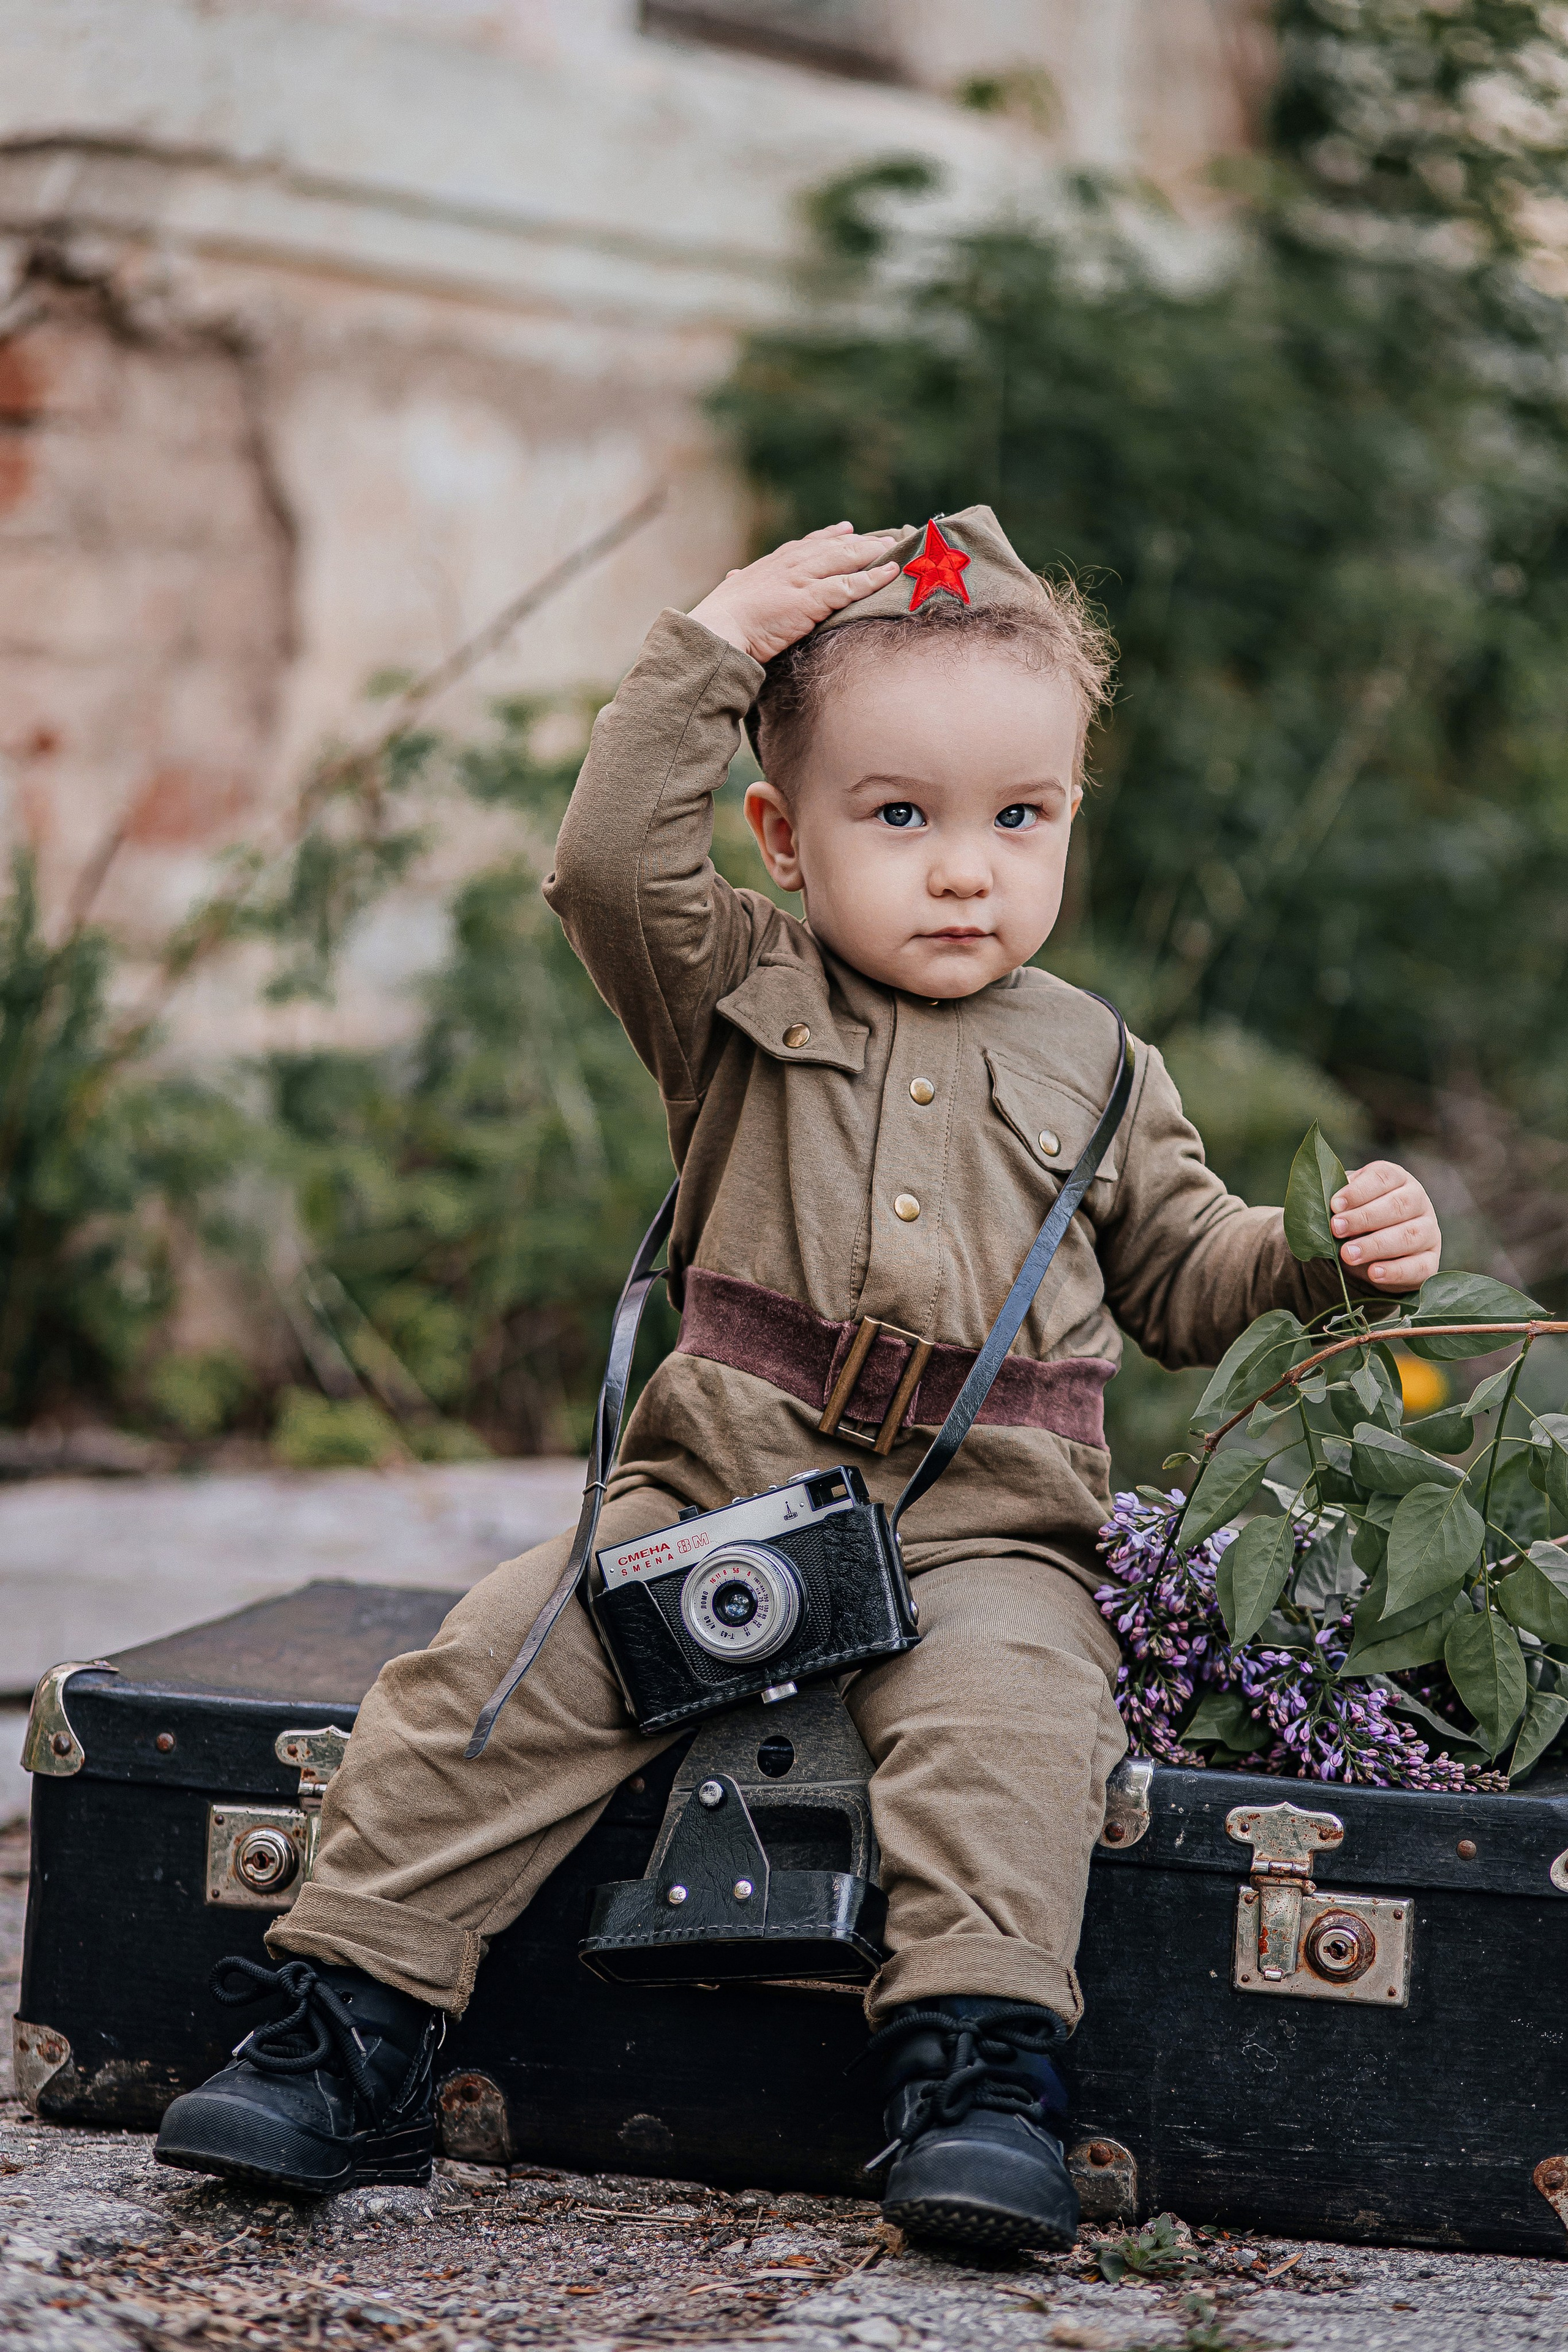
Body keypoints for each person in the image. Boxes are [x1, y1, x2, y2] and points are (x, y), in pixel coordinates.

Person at [154, 508, 1442, 2251]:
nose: (965, 868)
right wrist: (711, 645)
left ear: (1071, 814)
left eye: (1019, 817)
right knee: (494, 1677)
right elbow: (611, 864)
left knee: (1010, 1733)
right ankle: (347, 2039)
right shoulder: (735, 989)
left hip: (991, 1531)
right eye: (898, 816)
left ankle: (974, 2079)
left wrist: (1319, 1254)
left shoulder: (1099, 1062)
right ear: (781, 835)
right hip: (715, 1494)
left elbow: (1183, 1274)